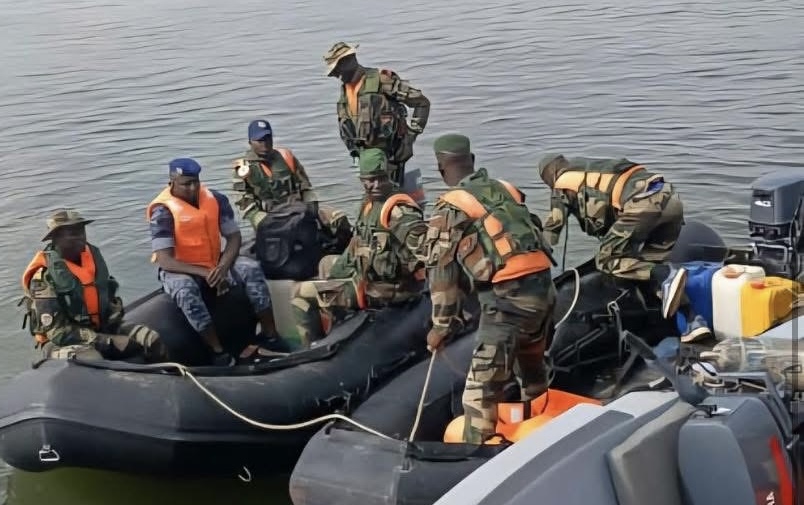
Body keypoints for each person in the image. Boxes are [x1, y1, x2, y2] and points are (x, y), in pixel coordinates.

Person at [421, 133, 558, 445]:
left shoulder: (449, 207)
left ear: (441, 169)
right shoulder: (506, 190)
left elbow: (442, 274)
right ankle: (543, 427)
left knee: (480, 393)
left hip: (507, 305)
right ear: (472, 160)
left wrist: (441, 327)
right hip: (544, 293)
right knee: (533, 371)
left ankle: (477, 455)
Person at [537, 153, 711, 342]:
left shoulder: (562, 183)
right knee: (644, 269)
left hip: (642, 206)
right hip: (670, 200)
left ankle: (665, 274)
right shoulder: (592, 168)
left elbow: (551, 231)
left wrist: (535, 263)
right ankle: (694, 321)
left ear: (549, 175)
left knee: (606, 260)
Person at [147, 157, 290, 366]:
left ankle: (271, 335)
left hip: (214, 261)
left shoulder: (215, 199)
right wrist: (206, 274)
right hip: (181, 268)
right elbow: (165, 261)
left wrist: (222, 267)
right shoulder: (163, 212)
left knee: (250, 268)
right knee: (185, 290)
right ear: (172, 182)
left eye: (195, 182)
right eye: (186, 184)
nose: (193, 188)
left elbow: (233, 237)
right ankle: (217, 351)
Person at [291, 148, 428, 347]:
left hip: (385, 291)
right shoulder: (369, 203)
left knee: (299, 293)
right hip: (368, 279)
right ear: (361, 179)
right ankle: (339, 327)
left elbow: (427, 252)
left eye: (381, 178)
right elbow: (358, 243)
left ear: (388, 174)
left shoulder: (399, 211)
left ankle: (312, 348)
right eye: (369, 180)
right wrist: (334, 277)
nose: (376, 185)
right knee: (326, 263)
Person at [21, 209, 167, 362]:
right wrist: (105, 341)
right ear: (56, 238)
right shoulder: (43, 277)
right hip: (60, 342)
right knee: (92, 358)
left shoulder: (92, 259)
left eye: (81, 231)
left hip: (100, 328)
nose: (80, 237)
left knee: (151, 339)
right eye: (72, 233)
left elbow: (108, 298)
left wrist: (113, 319)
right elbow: (57, 333)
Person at [231, 119, 352, 250]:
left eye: (267, 138)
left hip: (298, 210)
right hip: (270, 217)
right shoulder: (243, 169)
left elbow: (305, 186)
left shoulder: (285, 157)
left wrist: (312, 207)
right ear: (250, 142)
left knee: (337, 218)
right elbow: (243, 203)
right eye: (259, 141)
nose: (264, 144)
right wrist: (260, 219)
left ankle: (345, 251)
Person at [323, 42, 430, 185]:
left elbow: (422, 103)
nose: (336, 75)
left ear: (350, 61)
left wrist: (412, 135)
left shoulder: (382, 81)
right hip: (366, 159)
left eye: (337, 69)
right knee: (374, 194)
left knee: (394, 193)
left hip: (392, 156)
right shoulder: (345, 91)